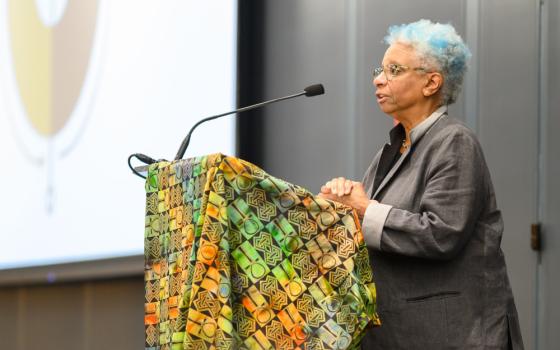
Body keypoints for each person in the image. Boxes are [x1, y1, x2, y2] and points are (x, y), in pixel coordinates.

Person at [318, 19, 523, 349]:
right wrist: (336, 205)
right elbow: (367, 225)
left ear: (431, 83)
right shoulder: (394, 148)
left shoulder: (454, 142)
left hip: (454, 334)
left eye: (394, 70)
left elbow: (441, 234)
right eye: (379, 69)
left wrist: (363, 208)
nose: (378, 80)